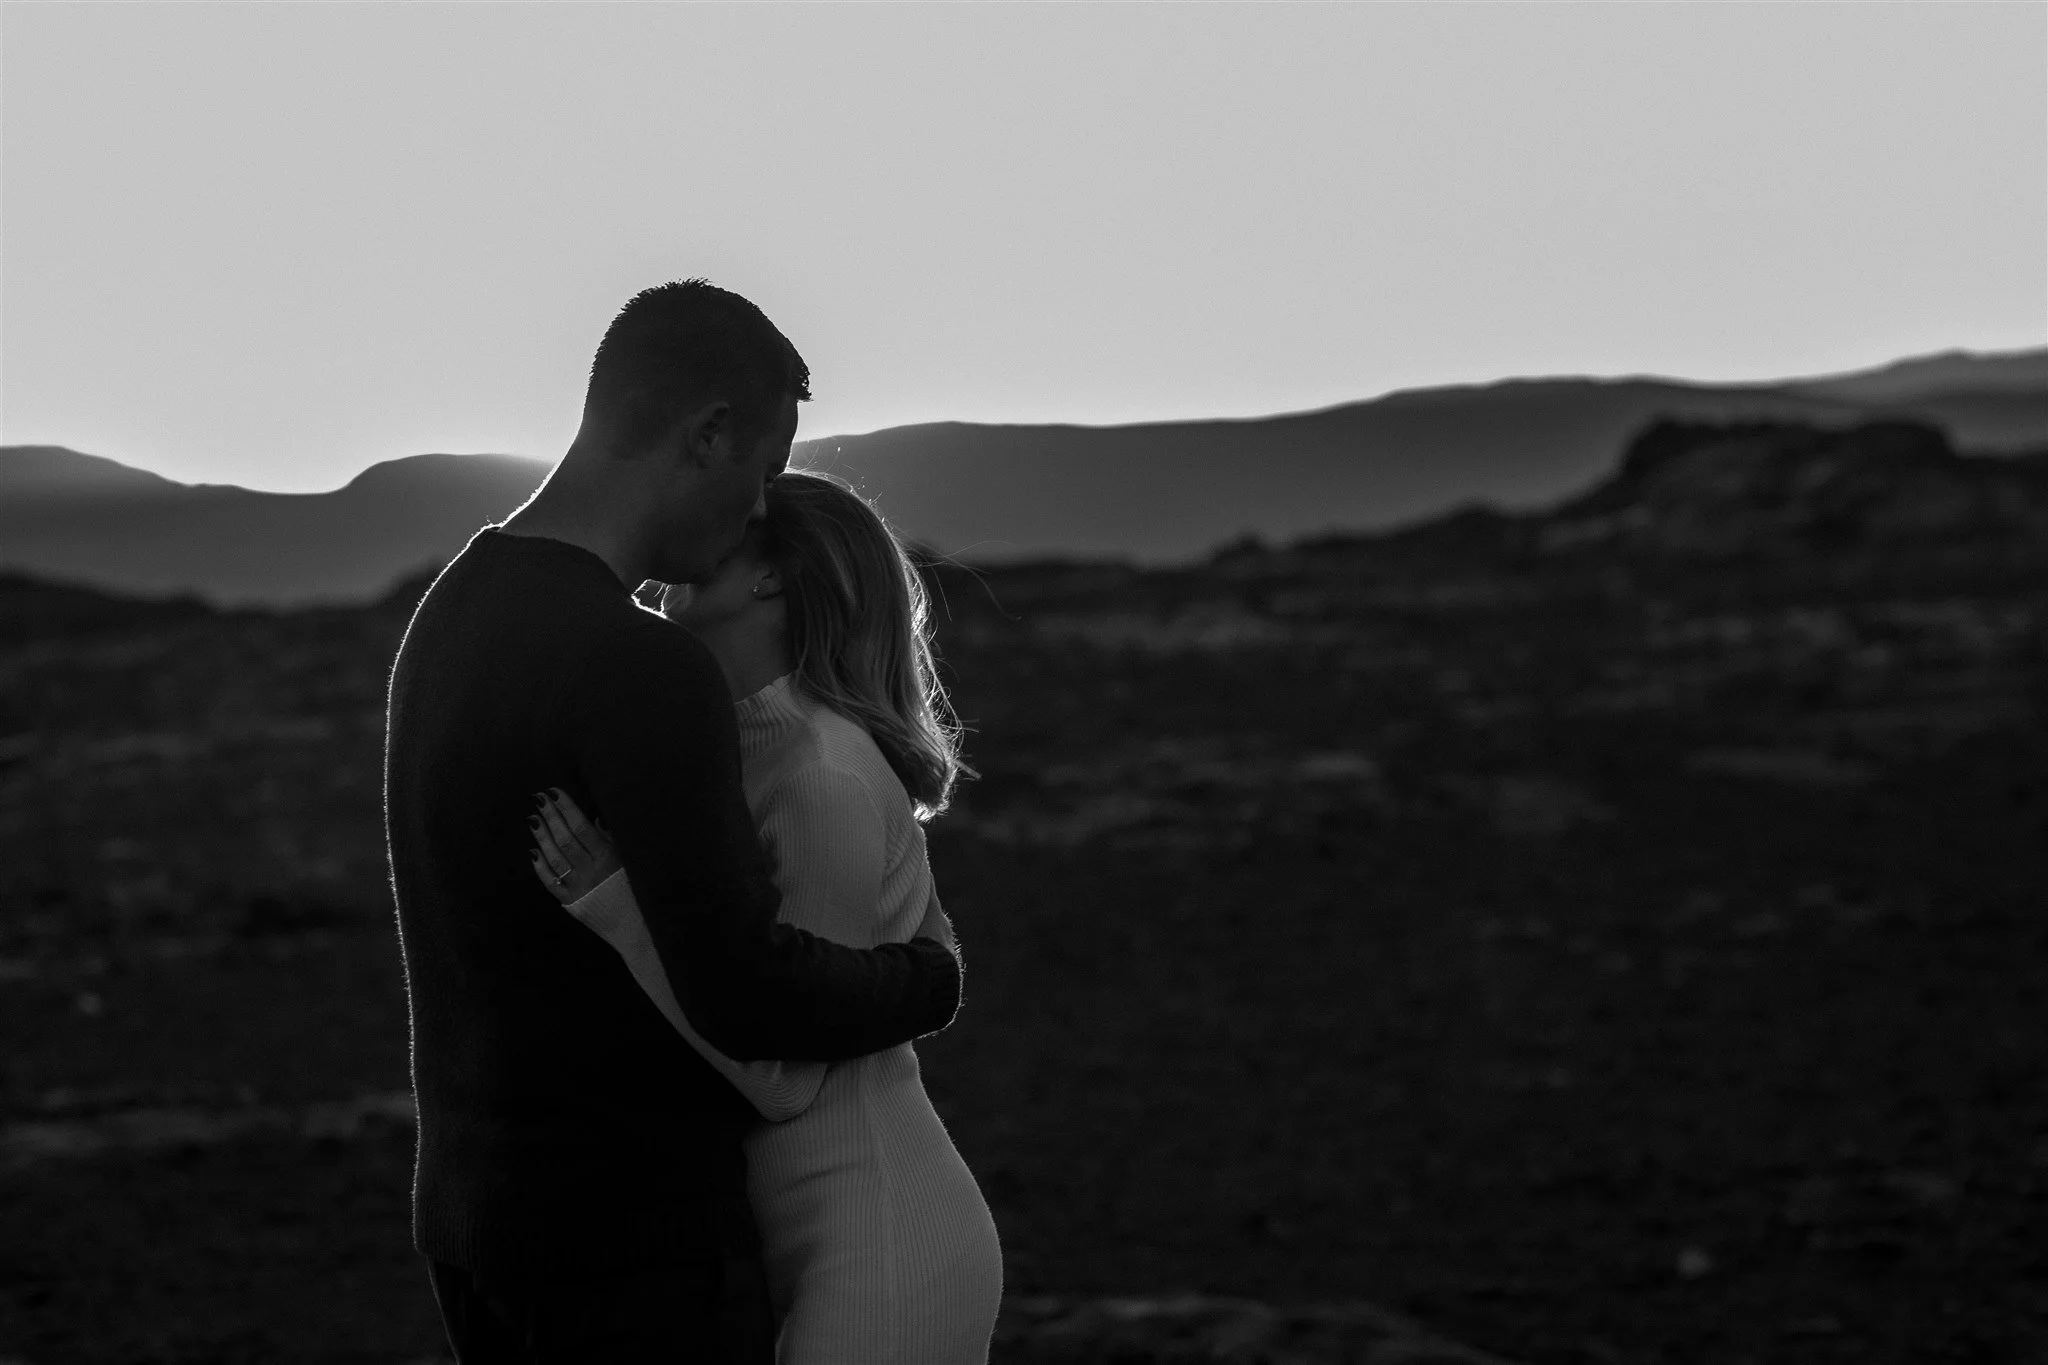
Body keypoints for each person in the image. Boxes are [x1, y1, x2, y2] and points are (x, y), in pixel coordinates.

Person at [383, 280, 962, 1362]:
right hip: (629, 1251)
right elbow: (742, 989)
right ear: (707, 436)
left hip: (473, 1225)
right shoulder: (638, 666)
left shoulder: (451, 609)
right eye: (763, 471)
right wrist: (926, 982)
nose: (758, 511)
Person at [525, 468, 1003, 1363]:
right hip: (804, 1237)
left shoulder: (822, 773)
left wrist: (616, 902)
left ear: (771, 576)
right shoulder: (738, 743)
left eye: (731, 531)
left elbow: (787, 1076)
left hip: (883, 1241)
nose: (682, 551)